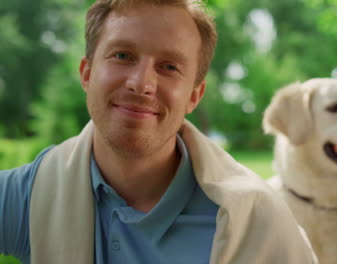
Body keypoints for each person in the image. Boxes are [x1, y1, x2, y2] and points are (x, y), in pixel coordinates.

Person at [0, 0, 317, 263]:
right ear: (87, 73)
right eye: (122, 55)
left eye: (169, 67)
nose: (141, 83)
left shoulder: (257, 222)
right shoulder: (32, 195)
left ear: (194, 96)